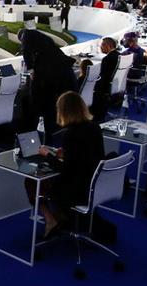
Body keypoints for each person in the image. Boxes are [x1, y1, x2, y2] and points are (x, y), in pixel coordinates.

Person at [30, 92, 104, 237]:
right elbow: (88, 155)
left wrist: (48, 155)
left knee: (32, 182)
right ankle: (63, 218)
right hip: (95, 184)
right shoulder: (95, 128)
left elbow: (65, 170)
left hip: (76, 189)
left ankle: (51, 220)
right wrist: (66, 154)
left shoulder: (70, 135)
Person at [21, 28, 76, 134]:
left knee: (39, 102)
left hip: (49, 75)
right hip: (62, 72)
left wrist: (31, 70)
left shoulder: (26, 35)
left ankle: (33, 131)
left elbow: (26, 52)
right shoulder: (45, 40)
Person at [92, 37, 120, 120]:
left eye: (102, 45)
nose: (100, 47)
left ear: (108, 46)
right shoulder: (119, 55)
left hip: (105, 89)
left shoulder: (107, 59)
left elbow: (103, 78)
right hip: (116, 86)